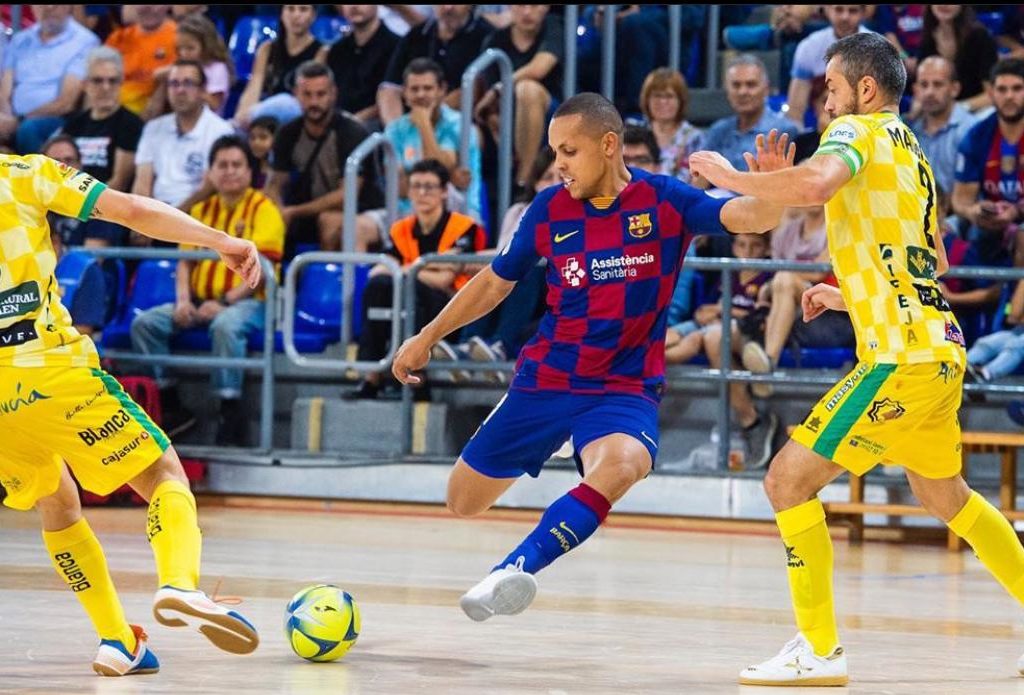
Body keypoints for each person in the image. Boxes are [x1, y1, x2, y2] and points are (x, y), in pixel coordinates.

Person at [691, 32, 1024, 686]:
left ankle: (819, 649)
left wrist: (735, 175)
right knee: (947, 494)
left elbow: (816, 181)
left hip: (901, 359)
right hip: (938, 348)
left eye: (833, 90)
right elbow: (933, 259)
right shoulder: (914, 154)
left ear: (864, 90)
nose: (827, 103)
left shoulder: (859, 134)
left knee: (787, 480)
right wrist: (846, 291)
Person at [390, 92, 792, 622]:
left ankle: (514, 568)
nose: (558, 163)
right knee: (463, 500)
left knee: (623, 464)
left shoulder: (665, 201)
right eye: (555, 151)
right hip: (548, 379)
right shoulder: (549, 208)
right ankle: (551, 437)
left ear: (608, 145)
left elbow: (751, 217)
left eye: (569, 151)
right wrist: (427, 335)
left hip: (624, 388)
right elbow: (493, 283)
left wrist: (771, 188)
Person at [0, 146, 261, 676]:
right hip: (47, 367)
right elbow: (132, 211)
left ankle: (119, 641)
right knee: (164, 471)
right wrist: (220, 240)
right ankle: (179, 586)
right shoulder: (21, 173)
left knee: (58, 503)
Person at [130, 135, 284, 445]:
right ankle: (170, 403)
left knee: (226, 326)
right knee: (145, 324)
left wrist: (223, 302)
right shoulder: (200, 209)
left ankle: (230, 413)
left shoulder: (265, 209)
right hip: (200, 299)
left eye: (236, 165)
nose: (229, 171)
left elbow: (263, 271)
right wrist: (184, 301)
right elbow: (185, 262)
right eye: (222, 165)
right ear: (211, 172)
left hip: (251, 301)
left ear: (250, 171)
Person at [348, 158, 485, 399]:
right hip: (408, 298)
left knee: (411, 291)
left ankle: (416, 378)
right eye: (416, 186)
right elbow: (379, 271)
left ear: (444, 192)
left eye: (430, 187)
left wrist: (404, 270)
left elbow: (445, 279)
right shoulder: (401, 228)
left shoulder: (464, 227)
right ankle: (372, 376)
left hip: (452, 309)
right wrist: (424, 268)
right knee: (379, 287)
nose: (422, 193)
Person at [60, 46, 144, 193]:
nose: (106, 87)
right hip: (71, 201)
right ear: (85, 85)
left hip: (108, 206)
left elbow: (119, 182)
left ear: (121, 84)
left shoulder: (131, 124)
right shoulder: (73, 125)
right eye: (98, 81)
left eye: (112, 81)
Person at [234, 4, 326, 129]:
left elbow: (309, 95)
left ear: (313, 15)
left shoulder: (321, 52)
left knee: (285, 102)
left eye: (303, 9)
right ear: (282, 14)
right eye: (290, 9)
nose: (296, 15)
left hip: (299, 118)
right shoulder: (267, 49)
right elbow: (254, 85)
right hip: (265, 119)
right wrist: (243, 113)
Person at [636, 67, 703, 183]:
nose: (662, 102)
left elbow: (699, 184)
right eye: (657, 96)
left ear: (680, 101)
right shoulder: (634, 132)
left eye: (669, 96)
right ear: (647, 100)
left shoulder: (694, 137)